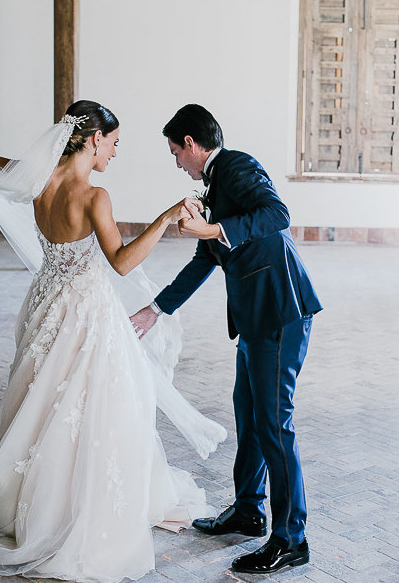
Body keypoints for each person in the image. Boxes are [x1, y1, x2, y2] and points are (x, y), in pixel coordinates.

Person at [0, 79, 227, 583]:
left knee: (42, 405)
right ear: (94, 139)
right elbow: (121, 263)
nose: (115, 154)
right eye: (115, 143)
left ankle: (32, 506)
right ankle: (77, 510)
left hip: (45, 305)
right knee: (99, 406)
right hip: (85, 312)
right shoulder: (94, 195)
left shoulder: (38, 179)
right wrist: (165, 219)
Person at [130, 104, 322, 574]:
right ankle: (249, 510)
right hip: (256, 318)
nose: (177, 161)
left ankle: (291, 538)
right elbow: (203, 260)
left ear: (193, 145)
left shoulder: (236, 166)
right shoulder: (213, 185)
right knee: (249, 414)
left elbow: (277, 213)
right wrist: (155, 310)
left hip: (279, 311)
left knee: (275, 423)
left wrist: (214, 227)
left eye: (176, 152)